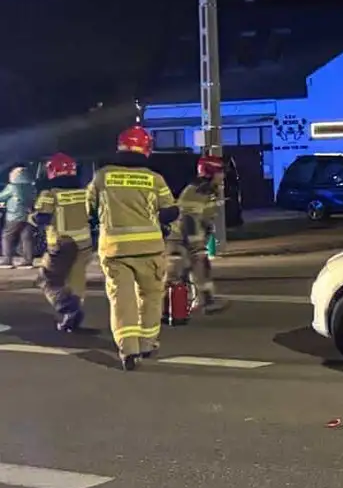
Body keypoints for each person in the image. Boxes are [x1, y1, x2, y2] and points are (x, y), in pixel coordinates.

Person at [88, 126, 179, 370]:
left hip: (115, 251)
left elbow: (90, 210)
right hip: (150, 249)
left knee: (122, 300)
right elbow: (170, 211)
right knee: (150, 297)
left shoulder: (102, 176)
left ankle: (128, 350)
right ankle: (147, 343)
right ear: (146, 149)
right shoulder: (154, 178)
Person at [31, 153, 91, 331]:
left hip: (62, 244)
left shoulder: (50, 194)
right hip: (85, 244)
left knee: (46, 278)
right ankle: (72, 316)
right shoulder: (84, 192)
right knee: (76, 281)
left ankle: (67, 308)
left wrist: (31, 217)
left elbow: (42, 217)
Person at [172, 154, 225, 313]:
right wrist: (197, 245)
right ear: (209, 172)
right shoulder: (196, 192)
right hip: (182, 239)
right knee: (181, 272)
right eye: (219, 171)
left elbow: (204, 219)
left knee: (193, 270)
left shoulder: (208, 191)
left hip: (189, 238)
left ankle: (203, 302)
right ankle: (176, 307)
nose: (222, 175)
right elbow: (189, 220)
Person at [0, 164, 38, 269]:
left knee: (7, 237)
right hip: (29, 215)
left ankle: (7, 260)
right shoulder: (31, 187)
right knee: (26, 238)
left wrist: (5, 203)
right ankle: (28, 261)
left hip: (14, 216)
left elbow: (2, 197)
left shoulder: (12, 187)